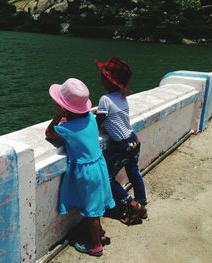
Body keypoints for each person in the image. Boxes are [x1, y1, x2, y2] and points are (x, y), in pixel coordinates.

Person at [45, 78, 115, 257]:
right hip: (99, 165)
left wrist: (58, 116)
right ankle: (98, 233)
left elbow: (49, 133)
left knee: (91, 212)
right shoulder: (91, 119)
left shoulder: (66, 129)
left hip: (86, 173)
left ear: (64, 108)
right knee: (96, 205)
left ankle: (95, 246)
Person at [94, 56, 148, 225]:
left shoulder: (105, 99)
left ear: (109, 82)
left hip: (122, 144)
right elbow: (113, 115)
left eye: (103, 76)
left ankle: (131, 204)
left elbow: (100, 121)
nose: (101, 78)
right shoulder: (122, 97)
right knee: (133, 172)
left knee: (107, 177)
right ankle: (142, 202)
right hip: (133, 140)